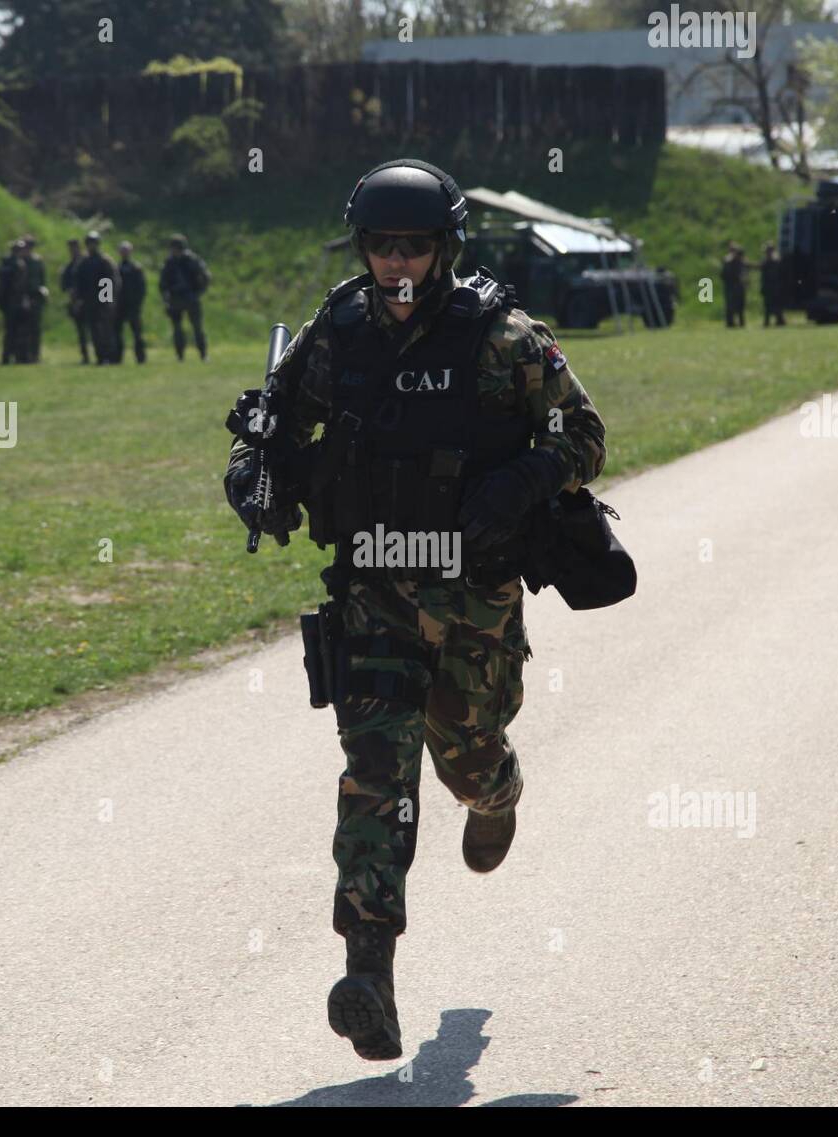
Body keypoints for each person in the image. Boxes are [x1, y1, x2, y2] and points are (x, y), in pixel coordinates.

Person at [222, 159, 607, 1062]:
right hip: (374, 597)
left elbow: (584, 436)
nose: (398, 264)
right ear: (363, 250)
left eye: (416, 247)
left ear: (445, 250)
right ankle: (370, 972)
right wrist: (256, 480)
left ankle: (496, 792)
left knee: (466, 760)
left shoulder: (502, 335)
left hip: (473, 598)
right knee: (375, 778)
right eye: (383, 246)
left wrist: (522, 478)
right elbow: (278, 431)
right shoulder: (337, 332)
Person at [159, 234, 210, 362]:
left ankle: (203, 354)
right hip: (176, 299)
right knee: (177, 329)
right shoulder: (170, 263)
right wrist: (166, 297)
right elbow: (163, 282)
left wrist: (198, 292)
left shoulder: (192, 260)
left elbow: (205, 277)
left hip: (191, 297)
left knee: (197, 328)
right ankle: (180, 355)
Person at [75, 230, 120, 364]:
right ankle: (100, 356)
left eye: (93, 243)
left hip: (103, 301)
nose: (91, 246)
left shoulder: (105, 261)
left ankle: (110, 356)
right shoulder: (84, 263)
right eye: (89, 243)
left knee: (106, 330)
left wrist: (106, 301)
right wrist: (79, 299)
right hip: (90, 301)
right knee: (94, 330)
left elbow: (110, 281)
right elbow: (80, 283)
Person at [0, 239, 32, 364]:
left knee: (18, 331)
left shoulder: (20, 263)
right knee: (11, 331)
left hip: (18, 301)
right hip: (11, 301)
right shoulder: (8, 264)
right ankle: (8, 356)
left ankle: (18, 356)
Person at [115, 240, 147, 364]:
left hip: (133, 306)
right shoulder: (115, 268)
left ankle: (141, 357)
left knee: (137, 333)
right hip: (119, 306)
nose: (124, 253)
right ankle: (117, 357)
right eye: (122, 250)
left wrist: (138, 303)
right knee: (117, 333)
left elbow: (142, 288)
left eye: (126, 250)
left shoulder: (136, 268)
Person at [60, 238, 89, 364]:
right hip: (76, 301)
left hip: (91, 301)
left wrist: (106, 300)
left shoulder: (89, 262)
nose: (73, 250)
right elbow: (64, 285)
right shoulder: (69, 266)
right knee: (81, 331)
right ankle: (85, 355)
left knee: (98, 329)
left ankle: (104, 355)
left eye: (75, 247)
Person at [22, 234, 48, 362]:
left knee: (35, 328)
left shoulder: (37, 261)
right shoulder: (21, 261)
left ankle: (35, 355)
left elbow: (42, 279)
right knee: (23, 328)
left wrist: (43, 291)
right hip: (23, 296)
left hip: (36, 296)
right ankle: (24, 355)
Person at [758, 241, 786, 327]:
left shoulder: (774, 260)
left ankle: (778, 320)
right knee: (769, 305)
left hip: (774, 287)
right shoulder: (770, 260)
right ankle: (771, 321)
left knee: (775, 305)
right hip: (769, 287)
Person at [720, 241, 747, 327]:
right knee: (730, 306)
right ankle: (730, 323)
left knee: (740, 305)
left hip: (738, 285)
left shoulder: (739, 260)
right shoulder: (728, 260)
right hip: (731, 286)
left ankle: (741, 322)